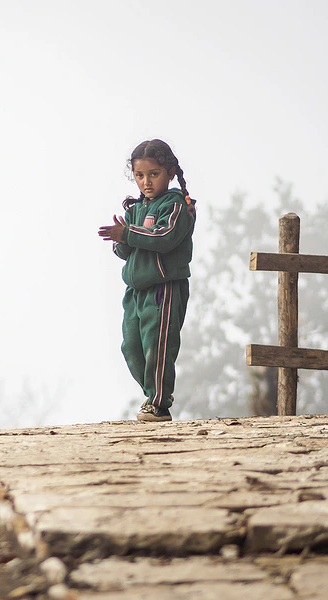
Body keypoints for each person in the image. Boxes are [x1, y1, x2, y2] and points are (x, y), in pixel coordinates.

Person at [98, 139, 196, 422]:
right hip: (136, 291)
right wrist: (121, 239)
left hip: (164, 288)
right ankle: (152, 394)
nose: (146, 182)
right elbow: (123, 251)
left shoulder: (176, 206)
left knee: (158, 345)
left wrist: (128, 234)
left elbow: (165, 238)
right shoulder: (135, 209)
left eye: (154, 174)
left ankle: (159, 403)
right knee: (131, 347)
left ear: (170, 173)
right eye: (139, 175)